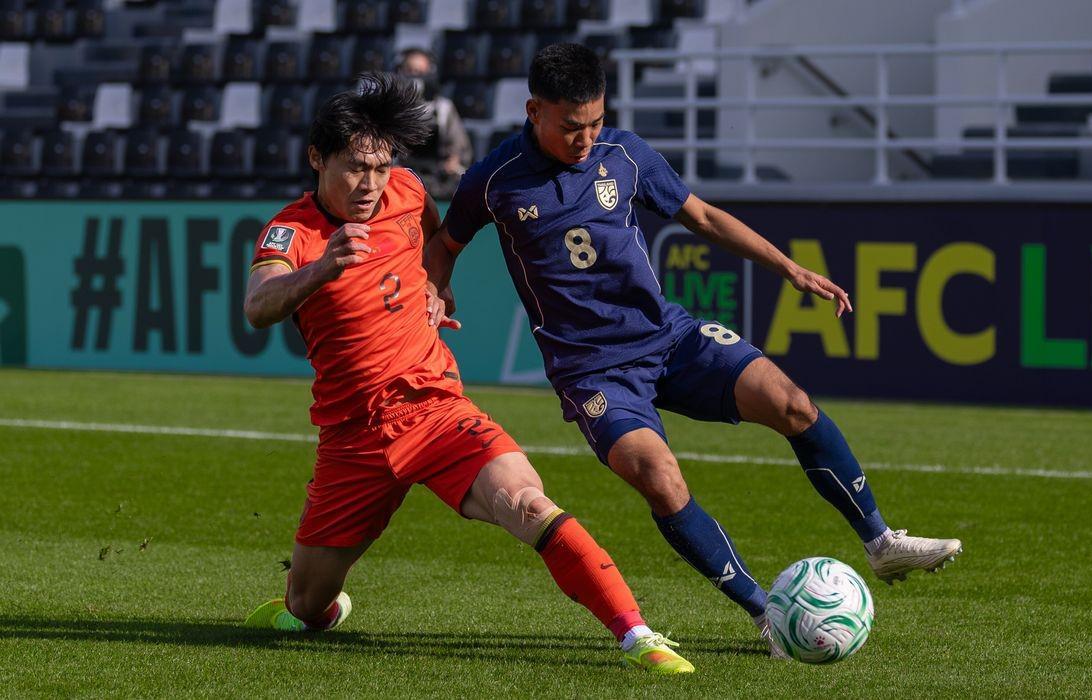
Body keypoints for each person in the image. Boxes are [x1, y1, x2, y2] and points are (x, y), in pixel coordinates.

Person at [423, 44, 963, 656]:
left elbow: (702, 217)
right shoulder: (495, 178)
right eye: (572, 126)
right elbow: (444, 244)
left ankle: (882, 543)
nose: (586, 138)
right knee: (659, 477)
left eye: (596, 122)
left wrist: (789, 268)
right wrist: (436, 289)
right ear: (534, 111)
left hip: (666, 336)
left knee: (792, 403)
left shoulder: (625, 153)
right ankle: (766, 613)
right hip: (592, 372)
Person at [239, 72, 693, 675]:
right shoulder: (292, 231)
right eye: (354, 168)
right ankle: (322, 604)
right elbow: (258, 306)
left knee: (526, 503)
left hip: (435, 409)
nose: (370, 184)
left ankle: (638, 635)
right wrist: (321, 269)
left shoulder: (407, 191)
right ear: (317, 158)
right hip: (354, 437)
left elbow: (433, 248)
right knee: (305, 605)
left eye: (380, 167)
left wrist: (437, 289)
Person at [396, 47, 473, 197]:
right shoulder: (393, 108)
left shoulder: (444, 108)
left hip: (438, 178)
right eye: (410, 70)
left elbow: (460, 148)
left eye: (420, 71)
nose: (415, 76)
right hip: (403, 176)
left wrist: (453, 160)